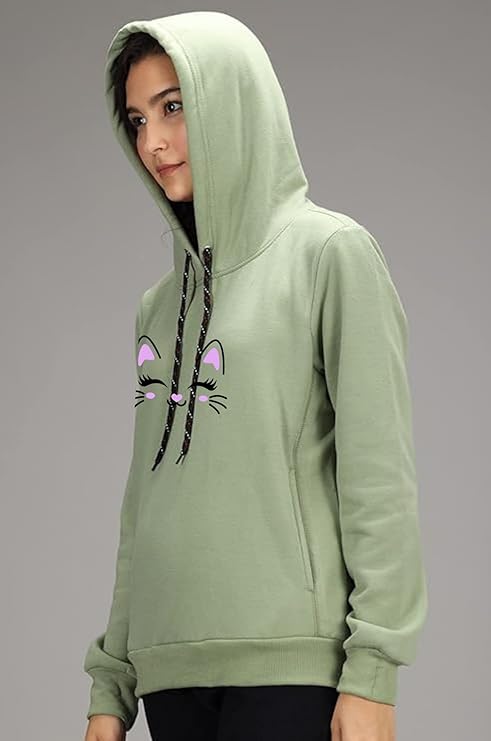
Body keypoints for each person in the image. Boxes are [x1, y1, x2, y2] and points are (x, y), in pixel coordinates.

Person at [83, 10, 428, 741]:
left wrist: (373, 672)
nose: (152, 142)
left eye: (173, 107)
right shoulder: (158, 307)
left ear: (234, 101)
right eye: (137, 120)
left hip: (290, 670)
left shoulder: (329, 255)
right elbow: (143, 505)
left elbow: (378, 477)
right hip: (167, 673)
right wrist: (111, 682)